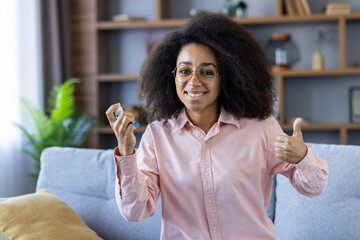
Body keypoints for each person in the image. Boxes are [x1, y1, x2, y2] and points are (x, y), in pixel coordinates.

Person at [105, 12, 328, 240]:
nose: (193, 82)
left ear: (227, 77)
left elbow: (314, 187)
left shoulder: (261, 129)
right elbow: (135, 211)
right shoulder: (157, 136)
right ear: (171, 76)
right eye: (184, 71)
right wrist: (125, 151)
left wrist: (302, 156)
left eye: (207, 72)